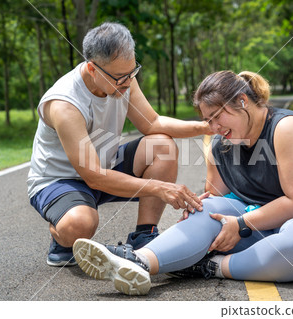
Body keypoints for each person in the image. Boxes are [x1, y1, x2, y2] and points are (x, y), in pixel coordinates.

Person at [72, 70, 293, 296]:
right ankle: (138, 261)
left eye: (218, 117)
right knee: (206, 209)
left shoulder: (287, 128)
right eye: (207, 119)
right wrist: (196, 209)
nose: (213, 126)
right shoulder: (219, 142)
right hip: (257, 227)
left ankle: (211, 266)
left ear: (243, 101)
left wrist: (241, 223)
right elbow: (217, 195)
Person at [27, 22, 211, 267]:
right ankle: (62, 237)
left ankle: (144, 236)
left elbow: (153, 123)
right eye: (120, 78)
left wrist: (205, 127)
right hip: (61, 181)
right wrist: (158, 188)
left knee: (161, 145)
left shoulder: (122, 77)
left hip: (106, 165)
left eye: (132, 73)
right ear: (92, 69)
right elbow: (94, 177)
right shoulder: (65, 104)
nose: (127, 83)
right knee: (81, 223)